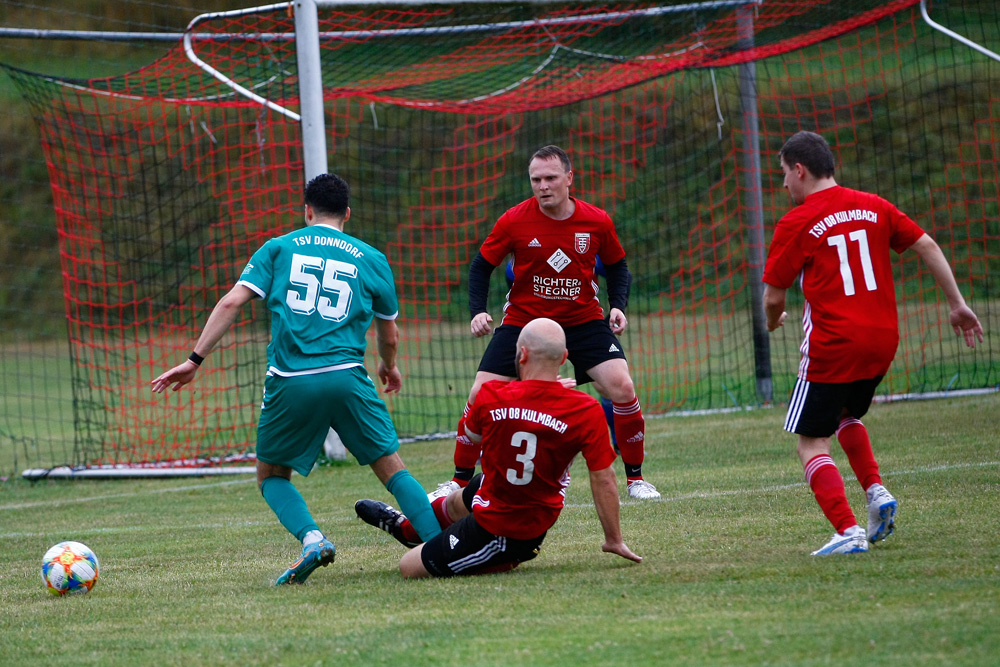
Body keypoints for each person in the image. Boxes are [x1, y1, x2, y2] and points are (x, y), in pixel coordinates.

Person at [151, 173, 442, 583]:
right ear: (347, 213)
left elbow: (233, 300)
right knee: (391, 469)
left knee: (271, 476)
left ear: (307, 211)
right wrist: (388, 366)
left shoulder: (279, 248)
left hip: (291, 379)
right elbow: (389, 332)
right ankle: (439, 547)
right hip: (347, 377)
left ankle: (312, 539)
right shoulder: (372, 258)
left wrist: (194, 360)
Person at [763, 131, 984, 556]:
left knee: (811, 442)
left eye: (783, 175)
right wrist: (957, 304)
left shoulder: (798, 220)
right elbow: (927, 244)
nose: (783, 185)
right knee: (845, 414)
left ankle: (847, 531)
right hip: (882, 340)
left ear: (800, 169)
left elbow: (773, 296)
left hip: (834, 343)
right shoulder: (873, 205)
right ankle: (876, 491)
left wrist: (774, 322)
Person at [431, 144, 660, 502]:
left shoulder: (596, 220)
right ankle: (459, 482)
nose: (543, 186)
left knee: (623, 388)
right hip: (526, 324)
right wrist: (477, 311)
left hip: (583, 321)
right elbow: (481, 266)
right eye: (536, 179)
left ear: (569, 178)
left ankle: (637, 479)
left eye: (551, 178)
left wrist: (618, 306)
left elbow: (618, 266)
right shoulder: (513, 220)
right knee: (479, 395)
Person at [355, 318, 642, 577]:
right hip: (503, 500)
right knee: (460, 498)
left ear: (522, 354)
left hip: (507, 531)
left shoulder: (492, 394)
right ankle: (405, 528)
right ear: (565, 358)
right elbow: (604, 477)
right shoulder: (585, 409)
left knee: (408, 567)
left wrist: (518, 403)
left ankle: (452, 544)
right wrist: (613, 539)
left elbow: (472, 435)